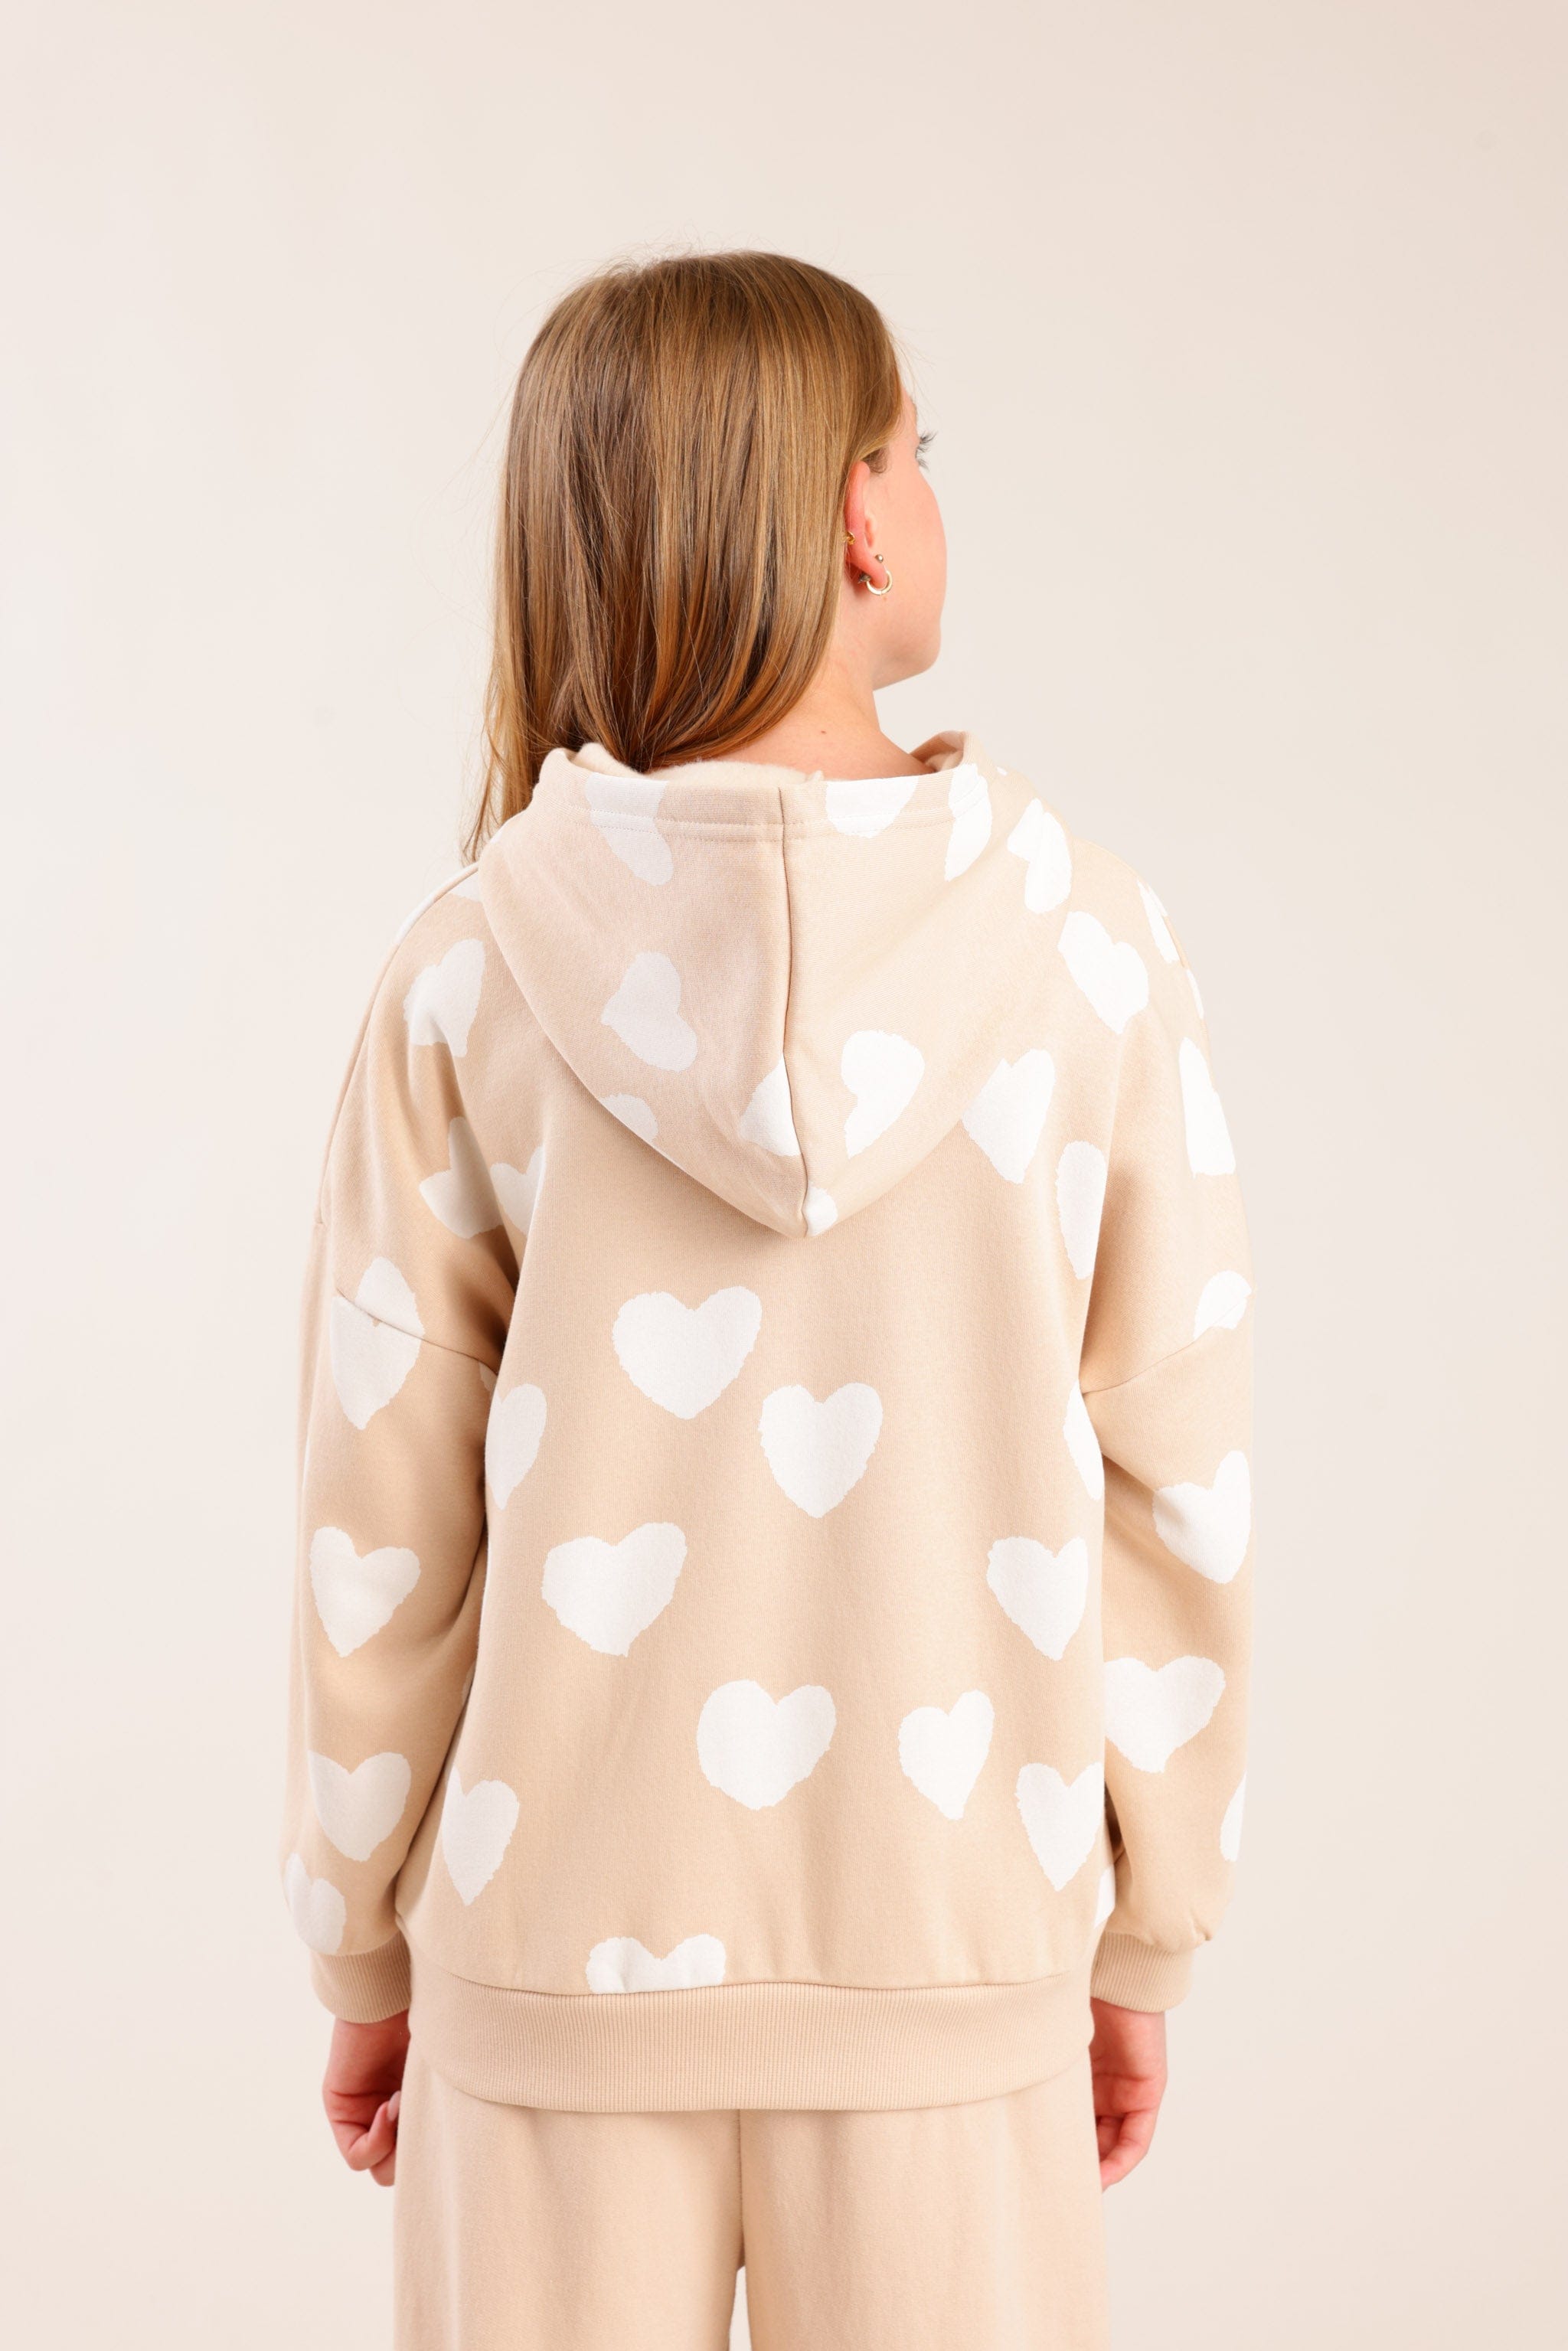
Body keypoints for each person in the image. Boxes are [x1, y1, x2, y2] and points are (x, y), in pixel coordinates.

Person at [281, 248, 1254, 2349]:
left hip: (548, 1974)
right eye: (918, 445)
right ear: (859, 516)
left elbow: (384, 1518)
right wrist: (1148, 1924)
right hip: (953, 1960)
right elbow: (1174, 1473)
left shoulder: (468, 975)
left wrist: (363, 1939)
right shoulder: (1091, 953)